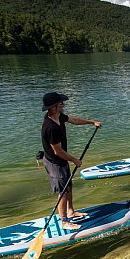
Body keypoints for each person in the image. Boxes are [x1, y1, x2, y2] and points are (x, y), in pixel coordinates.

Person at [41, 92, 101, 231]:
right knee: (62, 191)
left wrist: (91, 122)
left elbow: (73, 120)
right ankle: (64, 221)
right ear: (53, 107)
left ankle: (71, 211)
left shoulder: (59, 117)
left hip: (61, 160)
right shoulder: (50, 127)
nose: (63, 104)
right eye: (60, 103)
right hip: (54, 162)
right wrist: (75, 160)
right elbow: (58, 151)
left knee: (69, 186)